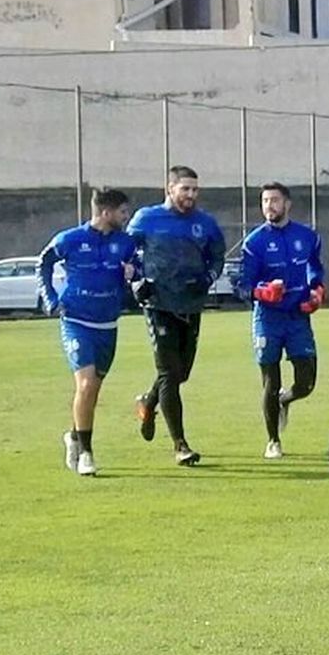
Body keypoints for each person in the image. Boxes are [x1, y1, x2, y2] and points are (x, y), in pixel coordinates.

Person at [129, 165, 225, 467]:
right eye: (185, 189)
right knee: (170, 373)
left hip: (191, 304)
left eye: (195, 190)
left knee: (181, 373)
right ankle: (180, 445)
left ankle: (147, 400)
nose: (191, 195)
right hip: (159, 304)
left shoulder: (205, 223)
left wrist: (207, 277)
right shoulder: (147, 218)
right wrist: (135, 281)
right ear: (170, 189)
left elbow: (217, 256)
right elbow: (125, 252)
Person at [38, 187, 135, 477]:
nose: (126, 217)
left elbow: (138, 271)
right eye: (122, 212)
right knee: (86, 385)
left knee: (93, 390)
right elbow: (43, 262)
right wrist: (50, 298)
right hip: (76, 321)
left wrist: (133, 275)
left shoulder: (126, 243)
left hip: (108, 323)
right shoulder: (70, 239)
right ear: (106, 212)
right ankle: (87, 454)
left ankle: (74, 436)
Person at [239, 182, 324, 459]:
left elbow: (314, 268)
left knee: (307, 382)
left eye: (274, 200)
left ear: (287, 204)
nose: (269, 206)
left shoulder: (307, 236)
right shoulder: (254, 242)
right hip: (268, 318)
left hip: (298, 316)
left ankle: (285, 400)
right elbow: (244, 285)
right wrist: (263, 291)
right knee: (269, 380)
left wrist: (316, 290)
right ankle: (273, 440)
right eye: (265, 201)